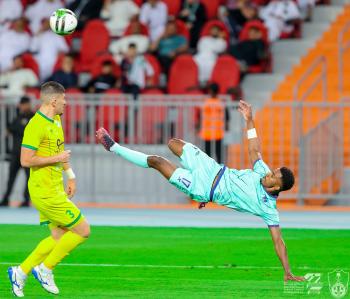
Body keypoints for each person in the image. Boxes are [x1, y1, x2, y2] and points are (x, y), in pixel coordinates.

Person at [96, 100, 305, 282]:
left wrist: (288, 271)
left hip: (202, 187)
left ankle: (113, 147)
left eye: (272, 177)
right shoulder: (263, 171)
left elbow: (278, 240)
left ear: (277, 187)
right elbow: (254, 149)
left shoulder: (268, 209)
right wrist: (249, 120)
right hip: (211, 167)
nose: (268, 174)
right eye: (272, 171)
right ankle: (125, 149)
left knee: (156, 161)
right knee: (173, 144)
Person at [7, 81, 90, 297]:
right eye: (64, 99)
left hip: (55, 188)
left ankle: (20, 272)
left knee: (57, 236)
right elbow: (26, 160)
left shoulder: (56, 120)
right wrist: (58, 158)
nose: (66, 103)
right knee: (83, 230)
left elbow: (59, 149)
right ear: (54, 100)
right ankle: (45, 269)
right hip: (44, 191)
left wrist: (70, 176)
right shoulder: (35, 126)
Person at [0, 97, 34, 207]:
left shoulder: (34, 118)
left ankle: (26, 200)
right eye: (23, 104)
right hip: (16, 153)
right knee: (11, 178)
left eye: (26, 104)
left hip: (28, 154)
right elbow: (8, 131)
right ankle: (6, 199)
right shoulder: (17, 117)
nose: (24, 106)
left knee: (29, 178)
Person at [199, 83, 225, 164]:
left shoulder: (205, 103)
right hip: (218, 134)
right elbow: (226, 119)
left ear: (210, 91)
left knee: (207, 157)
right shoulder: (221, 103)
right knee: (219, 157)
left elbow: (200, 117)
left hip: (207, 134)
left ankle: (209, 173)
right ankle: (221, 173)